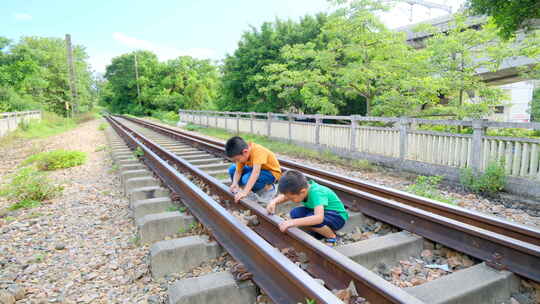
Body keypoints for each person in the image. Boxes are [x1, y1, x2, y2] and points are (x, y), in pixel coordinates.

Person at [266, 170, 348, 245]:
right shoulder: (302, 189)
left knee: (311, 219)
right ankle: (319, 232)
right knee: (295, 213)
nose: (291, 200)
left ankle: (332, 237)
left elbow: (318, 218)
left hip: (338, 217)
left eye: (292, 198)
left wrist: (292, 222)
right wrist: (273, 202)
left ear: (302, 192)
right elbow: (285, 197)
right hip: (323, 213)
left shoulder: (317, 192)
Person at [226, 136, 281, 203]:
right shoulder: (243, 154)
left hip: (271, 173)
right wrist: (235, 183)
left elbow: (255, 174)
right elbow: (238, 171)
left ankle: (269, 188)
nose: (237, 161)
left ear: (245, 152)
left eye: (237, 159)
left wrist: (245, 192)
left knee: (246, 178)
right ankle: (244, 189)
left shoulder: (258, 151)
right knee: (232, 169)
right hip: (257, 169)